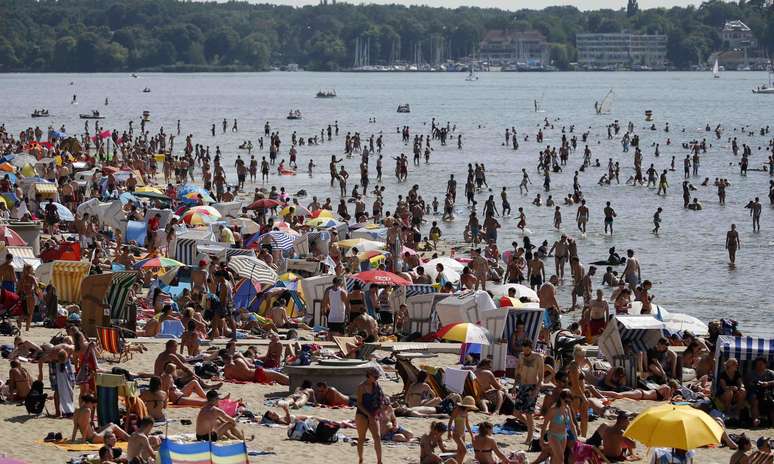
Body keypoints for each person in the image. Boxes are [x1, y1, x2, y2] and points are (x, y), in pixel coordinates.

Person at [513, 339, 543, 445]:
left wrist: (536, 390)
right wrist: (514, 385)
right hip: (522, 386)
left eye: (527, 350)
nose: (525, 352)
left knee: (528, 413)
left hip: (532, 387)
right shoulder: (521, 356)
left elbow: (541, 376)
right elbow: (518, 371)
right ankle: (531, 427)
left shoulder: (538, 357)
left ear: (531, 348)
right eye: (524, 350)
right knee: (515, 412)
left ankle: (529, 438)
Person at [355, 367, 384, 464]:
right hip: (362, 414)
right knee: (361, 438)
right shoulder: (361, 387)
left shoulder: (377, 386)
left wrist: (376, 413)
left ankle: (379, 461)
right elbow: (359, 404)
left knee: (377, 437)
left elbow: (381, 400)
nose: (377, 378)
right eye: (375, 377)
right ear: (369, 376)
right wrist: (369, 415)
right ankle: (361, 459)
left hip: (373, 413)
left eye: (377, 377)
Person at [540, 389, 576, 464]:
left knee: (556, 458)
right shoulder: (553, 410)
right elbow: (544, 425)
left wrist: (576, 438)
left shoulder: (567, 409)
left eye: (569, 402)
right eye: (566, 401)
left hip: (563, 435)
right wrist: (541, 439)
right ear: (561, 399)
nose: (567, 403)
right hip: (553, 435)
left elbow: (572, 424)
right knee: (561, 459)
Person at [447, 396, 476, 464]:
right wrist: (449, 432)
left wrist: (472, 435)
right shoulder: (457, 410)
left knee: (460, 451)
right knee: (464, 450)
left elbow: (467, 424)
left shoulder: (466, 411)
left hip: (463, 434)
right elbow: (450, 421)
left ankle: (457, 462)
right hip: (456, 433)